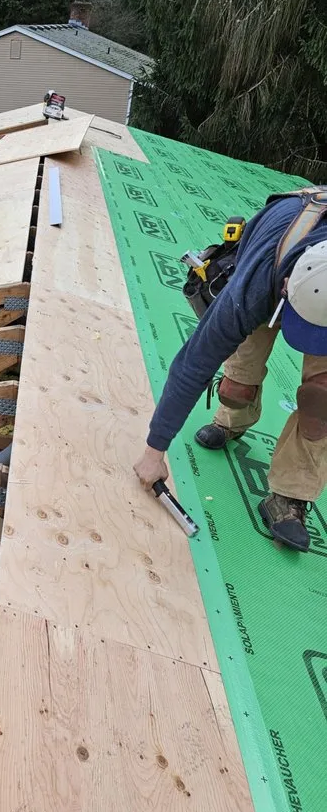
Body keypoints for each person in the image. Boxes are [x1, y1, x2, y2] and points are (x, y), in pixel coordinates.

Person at [134, 188, 327, 552]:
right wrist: (153, 451)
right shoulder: (253, 288)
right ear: (287, 288)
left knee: (323, 402)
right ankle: (232, 420)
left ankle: (290, 495)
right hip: (273, 266)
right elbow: (193, 365)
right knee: (237, 385)